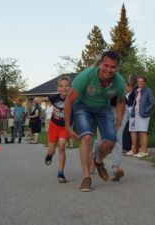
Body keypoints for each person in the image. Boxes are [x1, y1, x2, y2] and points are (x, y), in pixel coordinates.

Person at [64, 51, 125, 192]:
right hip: (82, 106)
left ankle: (98, 162)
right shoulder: (86, 76)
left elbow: (121, 101)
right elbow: (69, 100)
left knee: (111, 141)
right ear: (100, 64)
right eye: (106, 65)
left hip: (103, 108)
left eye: (113, 67)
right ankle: (86, 178)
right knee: (86, 137)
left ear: (117, 68)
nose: (108, 70)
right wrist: (67, 126)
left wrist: (119, 119)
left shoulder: (119, 82)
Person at [40, 76, 71, 183]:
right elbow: (46, 98)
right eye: (61, 86)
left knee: (62, 145)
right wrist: (38, 99)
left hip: (65, 127)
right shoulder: (54, 97)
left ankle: (61, 172)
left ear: (70, 87)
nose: (64, 88)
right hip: (54, 126)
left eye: (66, 86)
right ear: (58, 88)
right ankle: (49, 155)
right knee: (51, 150)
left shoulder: (73, 98)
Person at [128, 76, 155, 157]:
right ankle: (142, 151)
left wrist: (146, 111)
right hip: (136, 113)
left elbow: (153, 103)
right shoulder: (137, 91)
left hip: (144, 114)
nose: (140, 83)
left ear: (145, 82)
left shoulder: (148, 91)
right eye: (138, 81)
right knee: (139, 132)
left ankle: (144, 151)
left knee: (143, 132)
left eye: (141, 81)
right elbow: (136, 102)